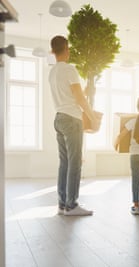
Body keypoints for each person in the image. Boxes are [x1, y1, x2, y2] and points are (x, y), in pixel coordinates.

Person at [49, 35, 99, 216]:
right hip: (72, 119)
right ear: (67, 50)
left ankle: (62, 204)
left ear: (52, 51)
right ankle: (72, 205)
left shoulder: (53, 72)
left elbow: (72, 94)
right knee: (75, 163)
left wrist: (84, 91)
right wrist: (92, 116)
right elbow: (78, 98)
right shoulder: (70, 69)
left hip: (59, 118)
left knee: (64, 163)